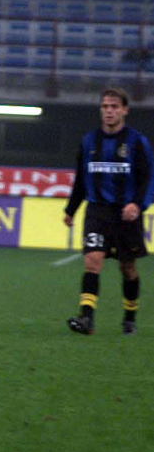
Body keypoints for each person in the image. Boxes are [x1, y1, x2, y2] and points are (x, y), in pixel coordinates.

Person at [64, 88, 153, 336]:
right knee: (92, 261)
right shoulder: (88, 141)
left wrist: (137, 205)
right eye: (105, 106)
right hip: (97, 212)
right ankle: (86, 318)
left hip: (126, 214)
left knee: (128, 268)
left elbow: (148, 179)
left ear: (124, 110)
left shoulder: (136, 142)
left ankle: (129, 317)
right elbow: (81, 180)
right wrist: (71, 210)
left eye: (114, 107)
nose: (109, 111)